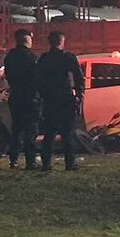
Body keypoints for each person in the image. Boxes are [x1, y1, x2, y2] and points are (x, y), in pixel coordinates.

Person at [36, 31, 84, 172]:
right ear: (62, 42)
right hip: (65, 98)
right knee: (67, 132)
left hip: (50, 99)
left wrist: (43, 94)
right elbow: (78, 77)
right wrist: (79, 95)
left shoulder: (44, 59)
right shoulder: (68, 57)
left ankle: (46, 164)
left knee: (49, 133)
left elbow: (38, 79)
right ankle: (70, 163)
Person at [4, 29, 40, 170]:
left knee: (17, 128)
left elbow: (9, 75)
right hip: (30, 97)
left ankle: (13, 160)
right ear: (27, 39)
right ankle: (30, 161)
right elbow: (37, 78)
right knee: (31, 129)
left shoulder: (10, 57)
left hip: (16, 96)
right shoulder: (31, 57)